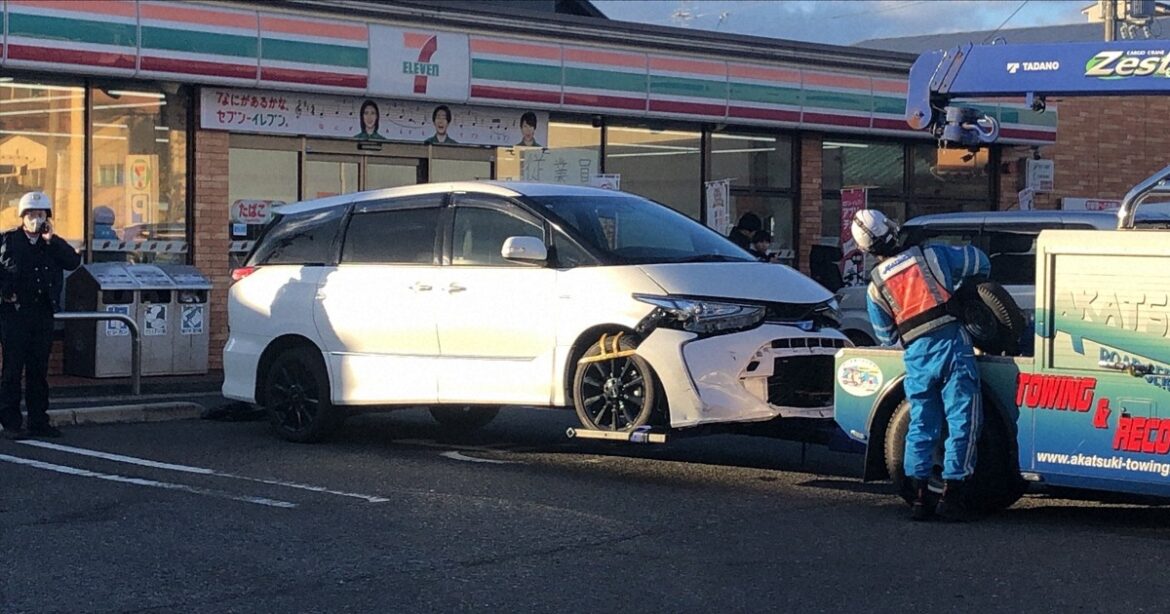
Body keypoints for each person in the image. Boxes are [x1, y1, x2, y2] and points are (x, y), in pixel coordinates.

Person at [851, 208, 989, 522]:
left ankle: (919, 497)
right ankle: (953, 494)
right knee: (962, 420)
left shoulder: (875, 287)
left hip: (917, 357)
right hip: (953, 346)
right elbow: (980, 261)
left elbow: (887, 336)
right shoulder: (933, 255)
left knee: (922, 424)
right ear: (891, 228)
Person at [0, 192, 81, 440]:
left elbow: (73, 262)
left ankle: (39, 421)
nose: (37, 219)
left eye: (41, 214)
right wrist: (4, 293)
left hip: (42, 313)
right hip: (15, 313)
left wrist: (52, 239)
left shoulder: (51, 245)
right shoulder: (8, 241)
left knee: (38, 370)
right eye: (32, 214)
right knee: (12, 370)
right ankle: (11, 422)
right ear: (23, 217)